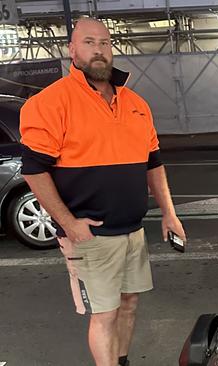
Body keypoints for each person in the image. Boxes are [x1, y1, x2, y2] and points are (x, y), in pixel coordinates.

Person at [19, 18, 186, 366]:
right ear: (72, 50)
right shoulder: (51, 103)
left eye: (105, 43)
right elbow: (34, 171)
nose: (98, 50)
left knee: (128, 304)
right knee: (104, 315)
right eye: (89, 42)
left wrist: (169, 213)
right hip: (90, 236)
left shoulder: (135, 103)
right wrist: (68, 222)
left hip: (132, 231)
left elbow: (153, 164)